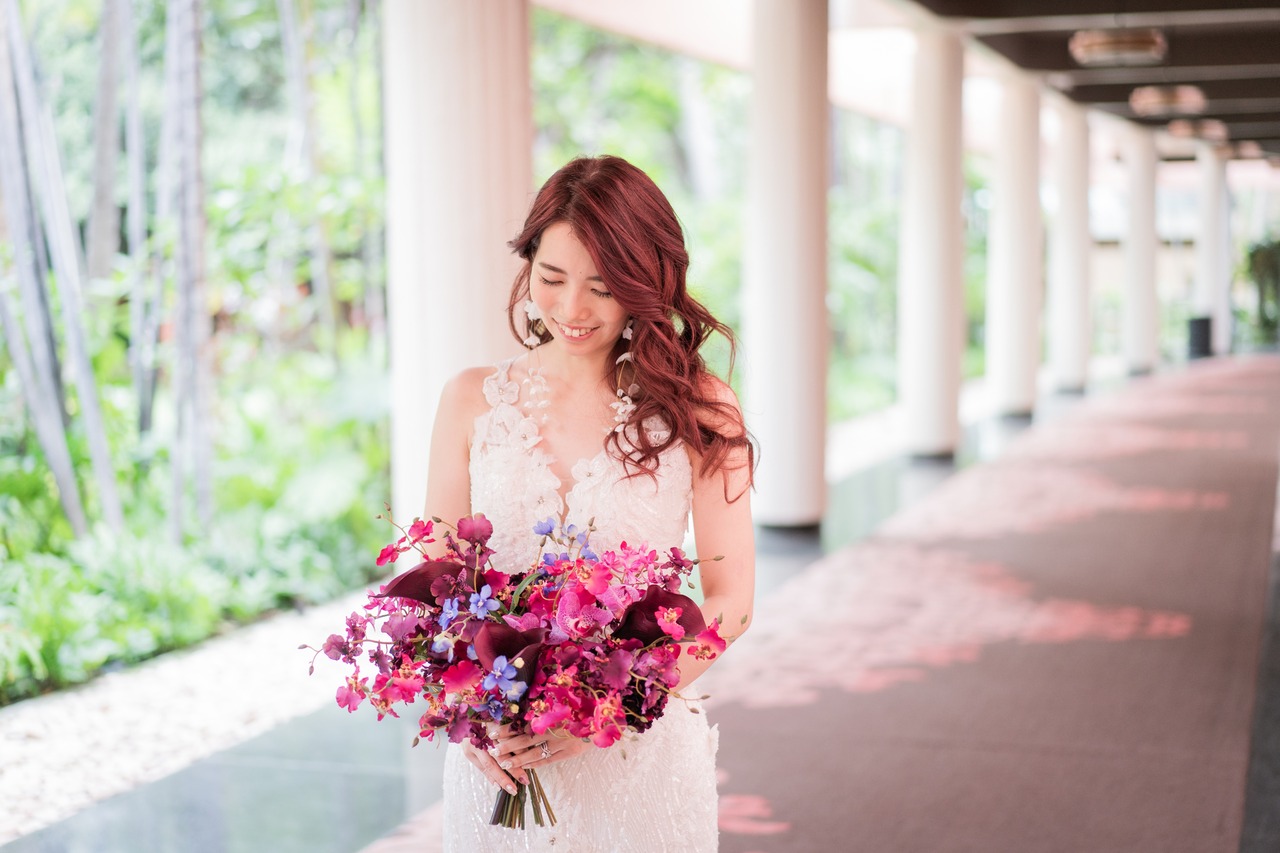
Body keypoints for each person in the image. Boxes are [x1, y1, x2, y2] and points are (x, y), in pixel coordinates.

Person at [422, 155, 755, 851]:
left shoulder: (699, 408)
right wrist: (465, 708)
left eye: (602, 287)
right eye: (551, 278)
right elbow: (437, 588)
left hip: (640, 762)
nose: (572, 309)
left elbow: (732, 601)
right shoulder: (469, 400)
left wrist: (615, 706)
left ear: (645, 284)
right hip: (501, 760)